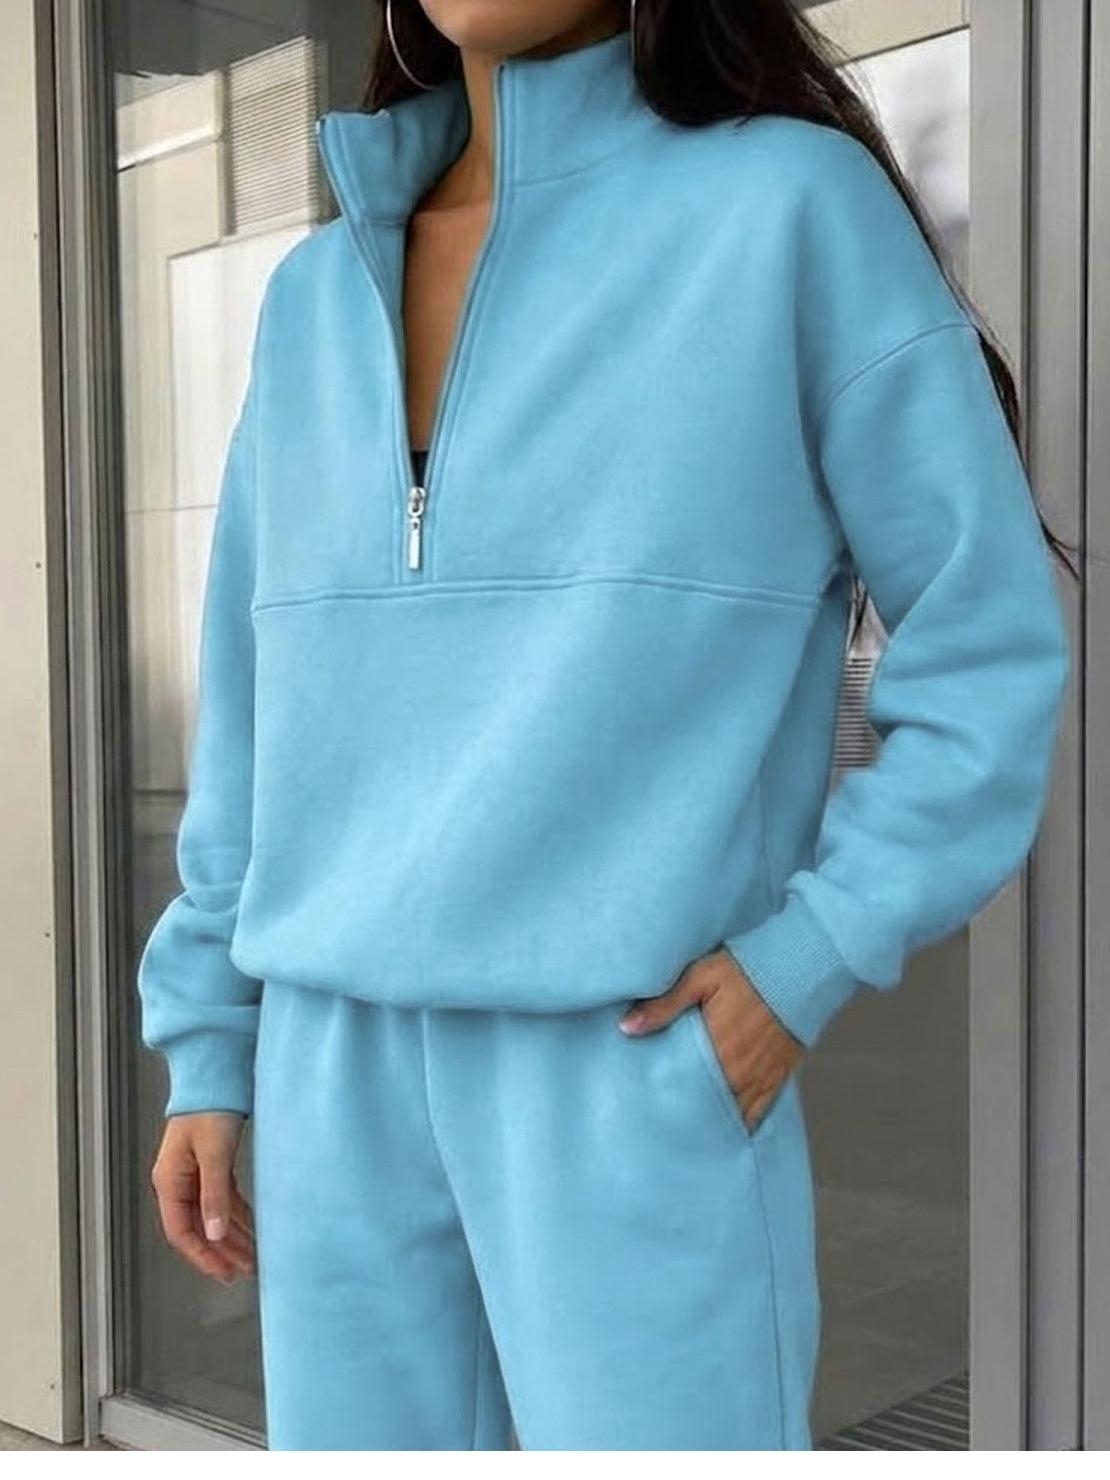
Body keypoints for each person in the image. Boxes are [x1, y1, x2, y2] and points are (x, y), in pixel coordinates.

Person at [137, 0, 1074, 1452]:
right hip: (330, 1074)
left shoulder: (786, 210)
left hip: (626, 1061)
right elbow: (257, 700)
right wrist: (210, 1038)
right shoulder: (316, 292)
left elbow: (984, 649)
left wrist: (807, 957)